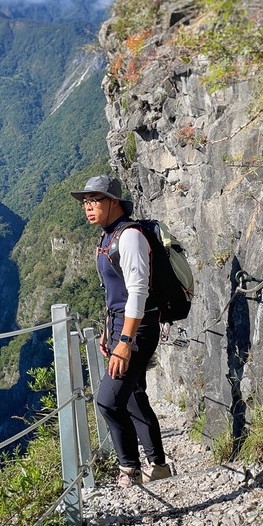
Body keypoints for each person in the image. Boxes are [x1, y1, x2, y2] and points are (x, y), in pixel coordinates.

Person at [70, 175, 172, 487]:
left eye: (95, 200)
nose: (88, 206)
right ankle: (158, 464)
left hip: (137, 328)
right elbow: (114, 292)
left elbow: (137, 292)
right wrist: (107, 332)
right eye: (86, 201)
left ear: (114, 202)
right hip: (119, 324)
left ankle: (130, 468)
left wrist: (125, 341)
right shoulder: (107, 237)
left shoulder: (128, 237)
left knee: (108, 400)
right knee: (132, 396)